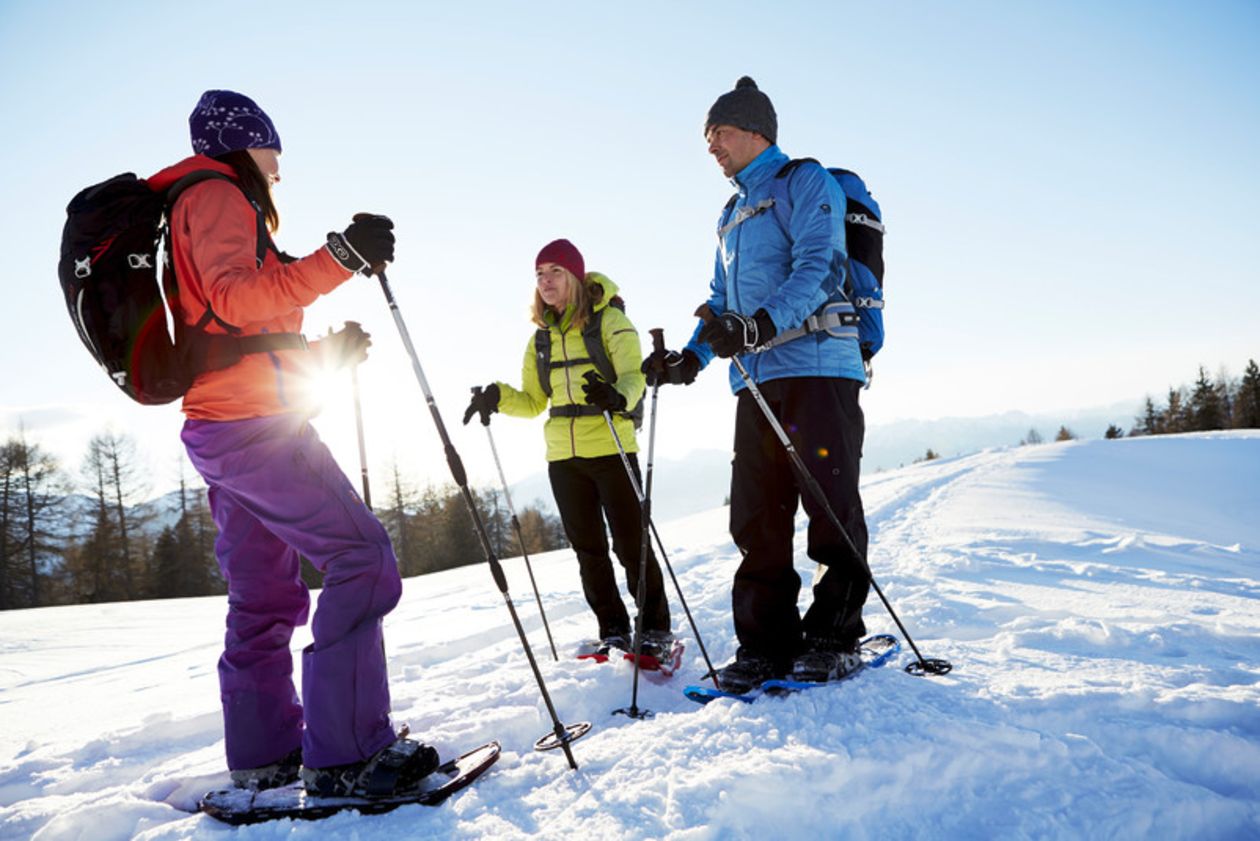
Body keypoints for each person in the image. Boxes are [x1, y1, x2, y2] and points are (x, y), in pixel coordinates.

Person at [149, 89, 437, 798]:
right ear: (250, 143)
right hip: (256, 428)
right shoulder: (216, 192)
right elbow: (235, 296)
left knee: (265, 593)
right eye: (274, 150)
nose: (279, 168)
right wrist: (340, 256)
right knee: (361, 558)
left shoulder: (197, 201)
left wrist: (323, 353)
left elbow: (240, 335)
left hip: (221, 424)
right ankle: (349, 752)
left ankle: (264, 750)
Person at [643, 77, 872, 693]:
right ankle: (767, 644)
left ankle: (834, 636)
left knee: (829, 506)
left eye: (717, 133)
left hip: (820, 367)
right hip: (756, 379)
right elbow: (721, 301)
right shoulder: (730, 213)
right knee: (756, 516)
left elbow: (819, 266)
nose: (710, 147)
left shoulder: (803, 181)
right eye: (707, 137)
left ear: (753, 131)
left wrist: (762, 323)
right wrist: (688, 359)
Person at [463, 239, 673, 661]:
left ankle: (654, 631)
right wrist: (497, 398)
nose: (545, 281)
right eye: (539, 274)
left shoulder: (611, 322)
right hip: (563, 458)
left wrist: (616, 396)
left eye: (555, 271)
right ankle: (612, 629)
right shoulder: (540, 340)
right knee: (588, 550)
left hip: (612, 447)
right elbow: (534, 401)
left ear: (576, 277)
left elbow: (634, 377)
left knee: (632, 545)